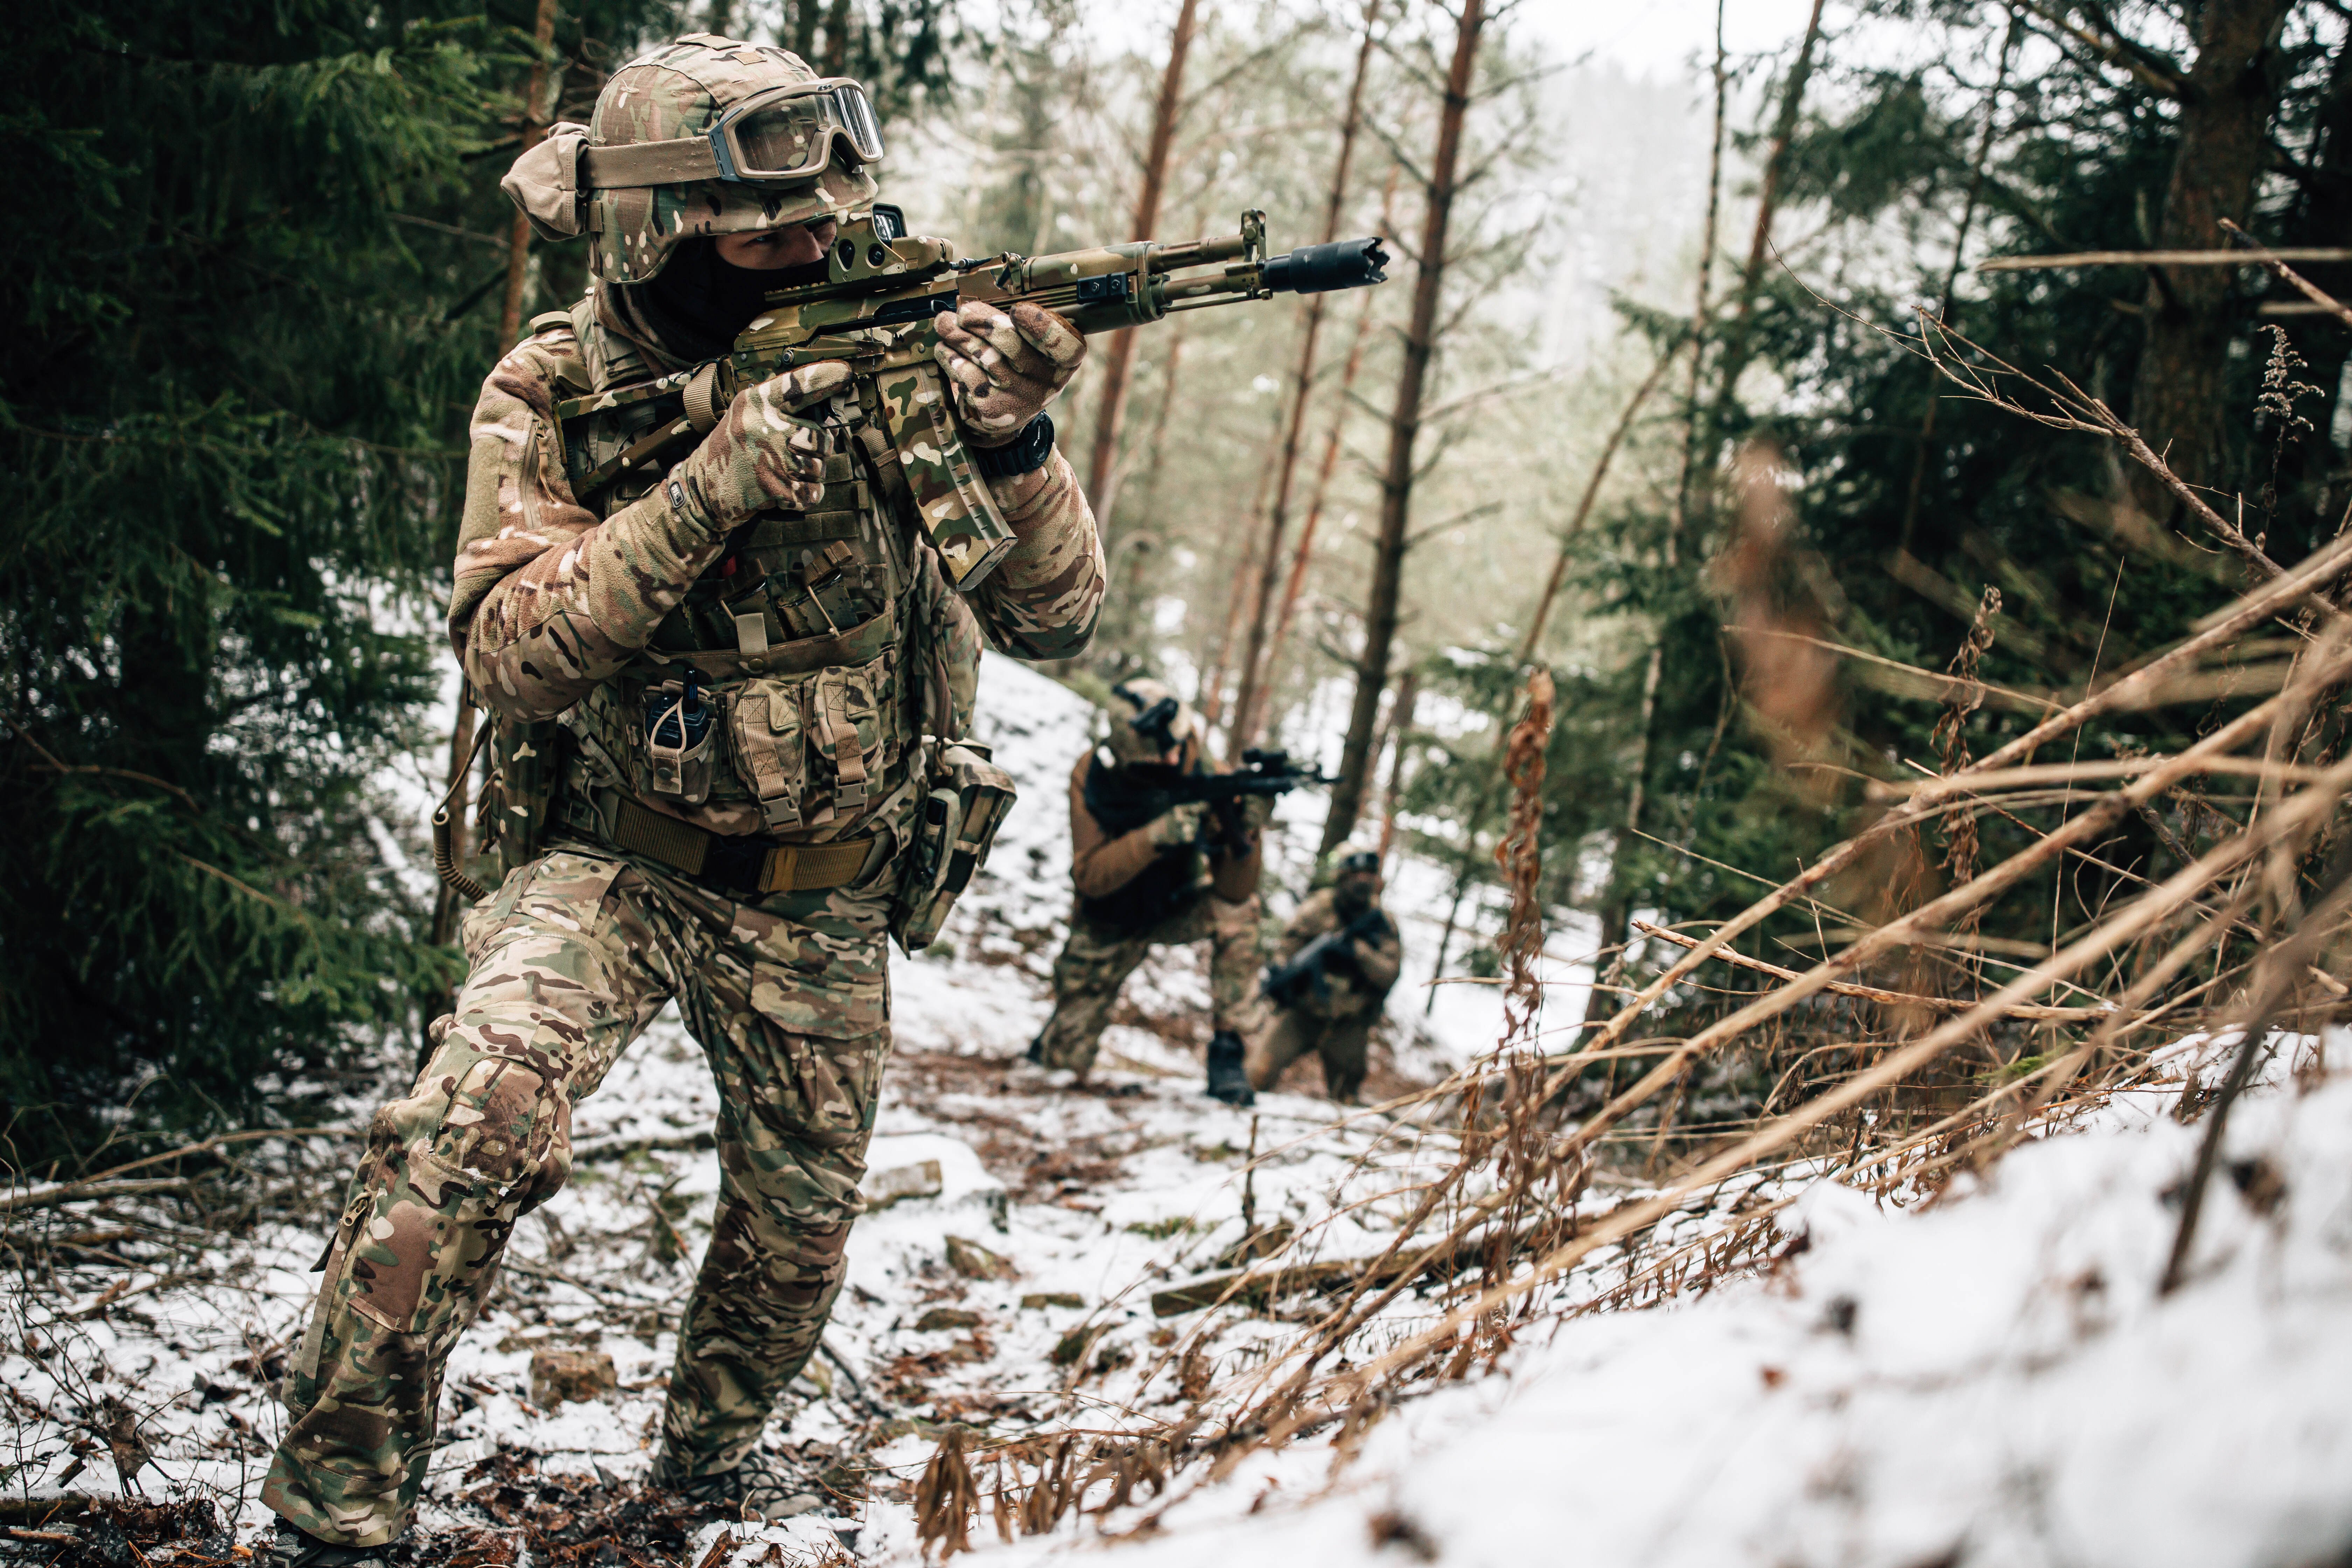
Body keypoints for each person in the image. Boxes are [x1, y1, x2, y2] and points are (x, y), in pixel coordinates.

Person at [260, 35, 1104, 1567]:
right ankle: (336, 1509)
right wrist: (710, 481)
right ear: (655, 231)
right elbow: (512, 654)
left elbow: (1054, 617)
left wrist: (1014, 440)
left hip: (825, 891)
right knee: (465, 1125)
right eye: (767, 228)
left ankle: (701, 1477)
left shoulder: (885, 340)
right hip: (619, 858)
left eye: (822, 215)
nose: (810, 244)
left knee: (793, 1243)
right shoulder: (557, 385)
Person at [1028, 678, 1265, 1106]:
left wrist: (1246, 830)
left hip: (1173, 905)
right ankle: (1062, 1028)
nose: (1175, 756)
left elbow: (1236, 890)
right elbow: (1090, 876)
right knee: (1061, 1067)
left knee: (1240, 911)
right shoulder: (1093, 775)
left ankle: (1229, 1051)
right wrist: (1156, 835)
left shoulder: (1199, 762)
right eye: (1161, 753)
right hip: (1108, 920)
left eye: (1177, 745)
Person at [1245, 850, 1401, 1104]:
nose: (1362, 881)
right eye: (1356, 875)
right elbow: (1287, 953)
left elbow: (1389, 974)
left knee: (1346, 1100)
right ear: (1342, 877)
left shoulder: (1383, 922)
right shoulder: (1317, 909)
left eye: (1369, 875)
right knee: (1255, 1076)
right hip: (1301, 1013)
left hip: (1347, 1022)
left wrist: (1358, 953)